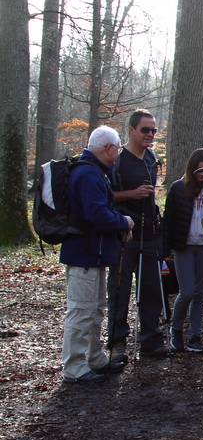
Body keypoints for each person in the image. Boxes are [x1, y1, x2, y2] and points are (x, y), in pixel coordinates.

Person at [61, 126, 134, 384]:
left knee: (95, 310)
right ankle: (74, 367)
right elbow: (97, 215)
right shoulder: (89, 174)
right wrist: (124, 221)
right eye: (117, 148)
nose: (118, 154)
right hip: (84, 255)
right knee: (81, 311)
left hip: (94, 254)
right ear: (109, 148)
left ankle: (94, 358)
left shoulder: (93, 172)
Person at [107, 109, 168, 361]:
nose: (150, 134)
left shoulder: (152, 158)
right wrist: (130, 194)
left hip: (150, 234)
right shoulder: (117, 161)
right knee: (120, 291)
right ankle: (117, 342)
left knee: (152, 288)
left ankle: (151, 339)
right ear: (131, 130)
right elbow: (104, 197)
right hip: (124, 235)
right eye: (145, 129)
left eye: (154, 130)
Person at [162, 148, 203, 354]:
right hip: (184, 246)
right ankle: (176, 330)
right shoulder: (179, 188)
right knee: (185, 292)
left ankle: (195, 335)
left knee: (199, 293)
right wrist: (165, 248)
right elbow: (168, 220)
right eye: (200, 171)